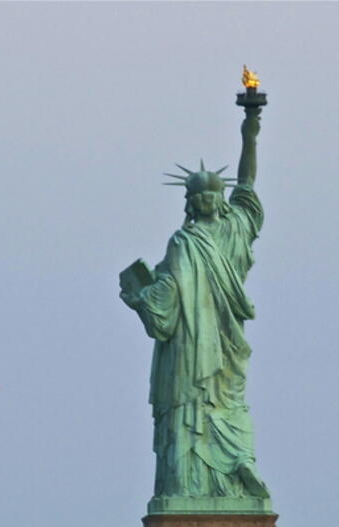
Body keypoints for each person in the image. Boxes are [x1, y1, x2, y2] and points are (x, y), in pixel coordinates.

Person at [120, 105, 269, 503]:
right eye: (197, 194)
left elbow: (249, 182)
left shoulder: (235, 229)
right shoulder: (182, 243)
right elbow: (166, 299)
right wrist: (143, 299)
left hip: (222, 338)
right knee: (193, 404)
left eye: (211, 192)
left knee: (225, 399)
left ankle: (237, 465)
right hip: (189, 342)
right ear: (189, 201)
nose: (205, 198)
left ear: (220, 197)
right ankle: (190, 482)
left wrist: (250, 132)